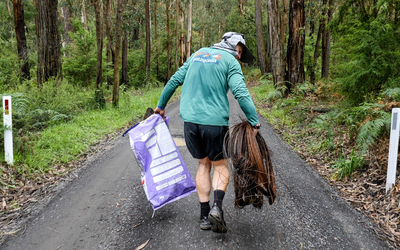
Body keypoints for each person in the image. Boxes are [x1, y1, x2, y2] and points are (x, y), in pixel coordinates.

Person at [154, 32, 261, 233]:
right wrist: (254, 122)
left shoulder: (198, 54)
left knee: (203, 164)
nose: (239, 56)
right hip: (214, 124)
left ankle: (204, 217)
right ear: (232, 46)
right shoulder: (230, 62)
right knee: (220, 165)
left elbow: (175, 79)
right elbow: (241, 93)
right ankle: (216, 208)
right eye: (239, 51)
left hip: (190, 123)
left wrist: (161, 105)